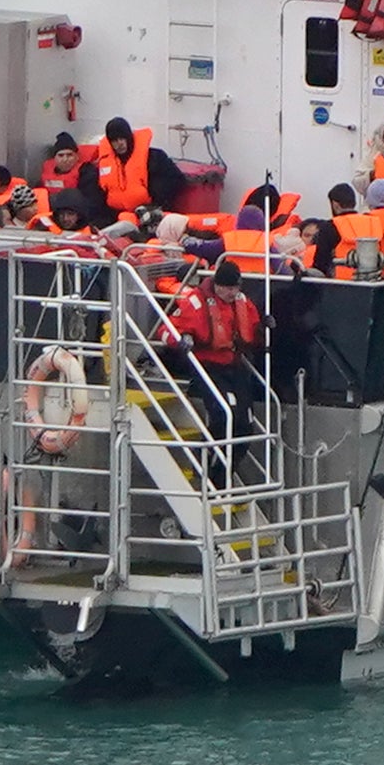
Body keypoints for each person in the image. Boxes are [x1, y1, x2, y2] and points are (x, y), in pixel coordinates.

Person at [163, 260, 263, 489]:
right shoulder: (196, 302)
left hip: (235, 367)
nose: (232, 293)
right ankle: (208, 465)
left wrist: (262, 328)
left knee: (245, 426)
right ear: (217, 285)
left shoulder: (242, 302)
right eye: (228, 288)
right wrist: (182, 339)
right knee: (223, 417)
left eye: (235, 287)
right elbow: (168, 330)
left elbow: (253, 329)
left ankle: (223, 475)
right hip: (209, 367)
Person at [96, 117, 186, 220]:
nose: (119, 143)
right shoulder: (105, 162)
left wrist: (155, 198)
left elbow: (178, 179)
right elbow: (100, 193)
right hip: (116, 215)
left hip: (149, 213)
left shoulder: (154, 157)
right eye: (114, 140)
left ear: (129, 137)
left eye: (122, 138)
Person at [182, 205, 288, 274]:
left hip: (232, 286)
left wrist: (186, 241)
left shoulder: (230, 240)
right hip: (262, 290)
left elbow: (204, 248)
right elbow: (283, 271)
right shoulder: (267, 243)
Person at [310, 183, 383, 279]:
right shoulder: (372, 221)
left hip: (339, 284)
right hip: (373, 280)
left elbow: (320, 264)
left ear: (335, 205)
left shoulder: (329, 227)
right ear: (354, 203)